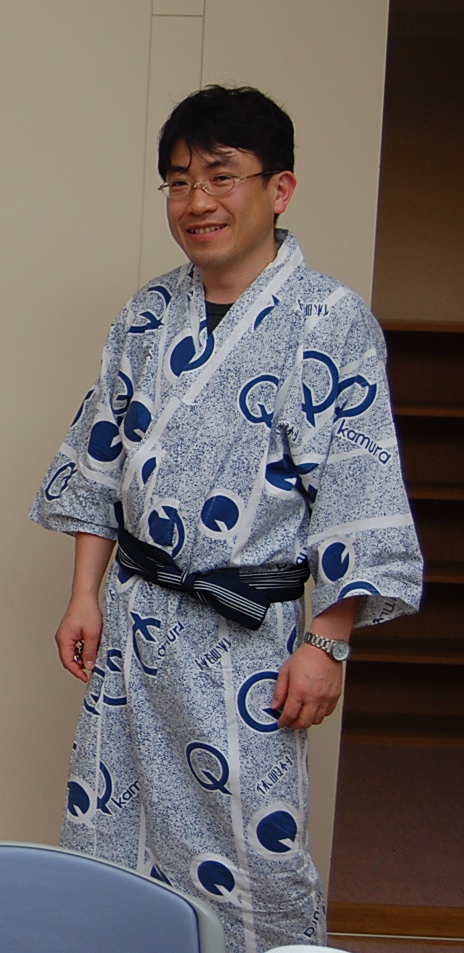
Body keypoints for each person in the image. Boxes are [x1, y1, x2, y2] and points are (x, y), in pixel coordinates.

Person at [30, 85, 423, 952]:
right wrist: (85, 593)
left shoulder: (332, 322)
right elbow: (103, 456)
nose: (196, 201)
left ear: (279, 189)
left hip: (248, 639)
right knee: (111, 833)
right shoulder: (146, 315)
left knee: (256, 854)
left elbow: (357, 490)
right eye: (177, 182)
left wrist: (328, 642)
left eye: (219, 176)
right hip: (137, 623)